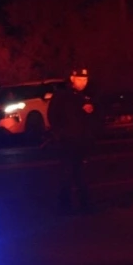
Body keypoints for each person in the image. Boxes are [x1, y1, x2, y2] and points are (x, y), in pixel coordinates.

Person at [48, 67, 97, 212]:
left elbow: (93, 119)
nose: (83, 83)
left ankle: (85, 204)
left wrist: (91, 113)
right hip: (67, 141)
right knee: (67, 173)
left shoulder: (87, 96)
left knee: (81, 173)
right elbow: (53, 116)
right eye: (80, 79)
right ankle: (65, 205)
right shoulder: (62, 95)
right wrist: (60, 134)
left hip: (82, 142)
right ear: (72, 79)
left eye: (85, 80)